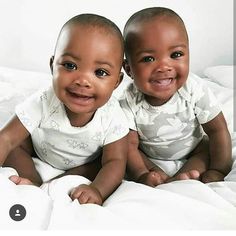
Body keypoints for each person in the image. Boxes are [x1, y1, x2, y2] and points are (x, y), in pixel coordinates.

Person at [0, 13, 129, 205]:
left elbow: (116, 162)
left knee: (103, 166)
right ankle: (33, 182)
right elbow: (7, 138)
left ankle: (59, 182)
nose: (83, 81)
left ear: (116, 82)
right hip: (38, 151)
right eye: (70, 65)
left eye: (100, 72)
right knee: (15, 146)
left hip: (84, 163)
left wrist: (97, 190)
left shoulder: (113, 115)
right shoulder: (44, 100)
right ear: (53, 66)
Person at [120, 7, 232, 187]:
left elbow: (217, 131)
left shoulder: (193, 89)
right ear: (128, 69)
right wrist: (142, 172)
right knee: (125, 150)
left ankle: (182, 177)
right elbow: (130, 146)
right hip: (149, 156)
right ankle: (158, 177)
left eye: (176, 55)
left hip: (194, 149)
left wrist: (218, 169)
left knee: (205, 150)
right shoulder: (128, 99)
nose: (164, 67)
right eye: (148, 59)